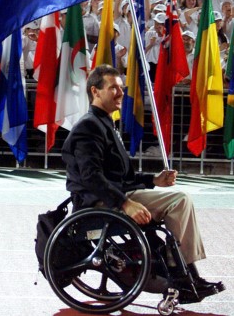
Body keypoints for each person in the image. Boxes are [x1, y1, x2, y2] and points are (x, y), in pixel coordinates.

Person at [61, 64, 224, 302]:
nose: (120, 93)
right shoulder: (89, 127)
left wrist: (154, 180)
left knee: (179, 199)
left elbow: (121, 177)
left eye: (121, 88)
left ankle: (186, 274)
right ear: (95, 91)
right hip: (99, 204)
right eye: (113, 88)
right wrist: (125, 204)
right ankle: (182, 275)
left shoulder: (105, 123)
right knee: (179, 201)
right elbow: (91, 177)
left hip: (114, 196)